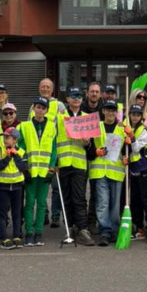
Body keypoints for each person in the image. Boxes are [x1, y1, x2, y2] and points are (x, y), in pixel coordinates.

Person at [55, 88, 94, 245]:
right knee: (66, 198)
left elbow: (91, 146)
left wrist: (87, 143)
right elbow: (53, 140)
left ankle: (82, 229)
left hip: (79, 163)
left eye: (79, 96)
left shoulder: (87, 118)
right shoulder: (59, 118)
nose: (76, 99)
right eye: (73, 96)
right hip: (64, 163)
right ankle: (69, 228)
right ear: (68, 99)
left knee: (79, 197)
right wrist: (55, 162)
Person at [18, 97, 56, 247]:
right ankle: (28, 232)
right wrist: (24, 168)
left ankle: (38, 232)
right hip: (30, 171)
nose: (40, 110)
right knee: (29, 203)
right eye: (38, 107)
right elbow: (21, 147)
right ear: (33, 108)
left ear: (47, 110)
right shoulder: (24, 125)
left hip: (45, 171)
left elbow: (53, 149)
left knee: (41, 203)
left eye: (43, 108)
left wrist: (51, 167)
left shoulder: (52, 127)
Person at [92, 100, 127, 246]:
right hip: (100, 171)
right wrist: (95, 151)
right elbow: (88, 147)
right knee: (103, 203)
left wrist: (127, 157)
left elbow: (129, 147)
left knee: (115, 204)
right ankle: (105, 232)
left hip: (116, 171)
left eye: (113, 110)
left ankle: (114, 230)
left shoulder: (122, 129)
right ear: (103, 111)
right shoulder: (96, 127)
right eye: (108, 110)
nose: (111, 112)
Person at [0, 127, 27, 248]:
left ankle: (17, 235)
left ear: (15, 140)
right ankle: (4, 238)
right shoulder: (0, 150)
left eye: (8, 138)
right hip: (3, 186)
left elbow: (24, 167)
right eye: (4, 137)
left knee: (17, 212)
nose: (5, 140)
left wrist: (15, 156)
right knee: (2, 213)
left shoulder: (21, 151)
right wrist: (7, 157)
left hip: (17, 186)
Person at [126, 103, 147, 241]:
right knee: (135, 200)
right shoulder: (126, 128)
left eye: (138, 115)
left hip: (144, 168)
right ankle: (139, 228)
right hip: (133, 169)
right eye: (133, 114)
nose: (135, 117)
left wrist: (131, 137)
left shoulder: (144, 130)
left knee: (146, 200)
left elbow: (137, 148)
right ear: (130, 115)